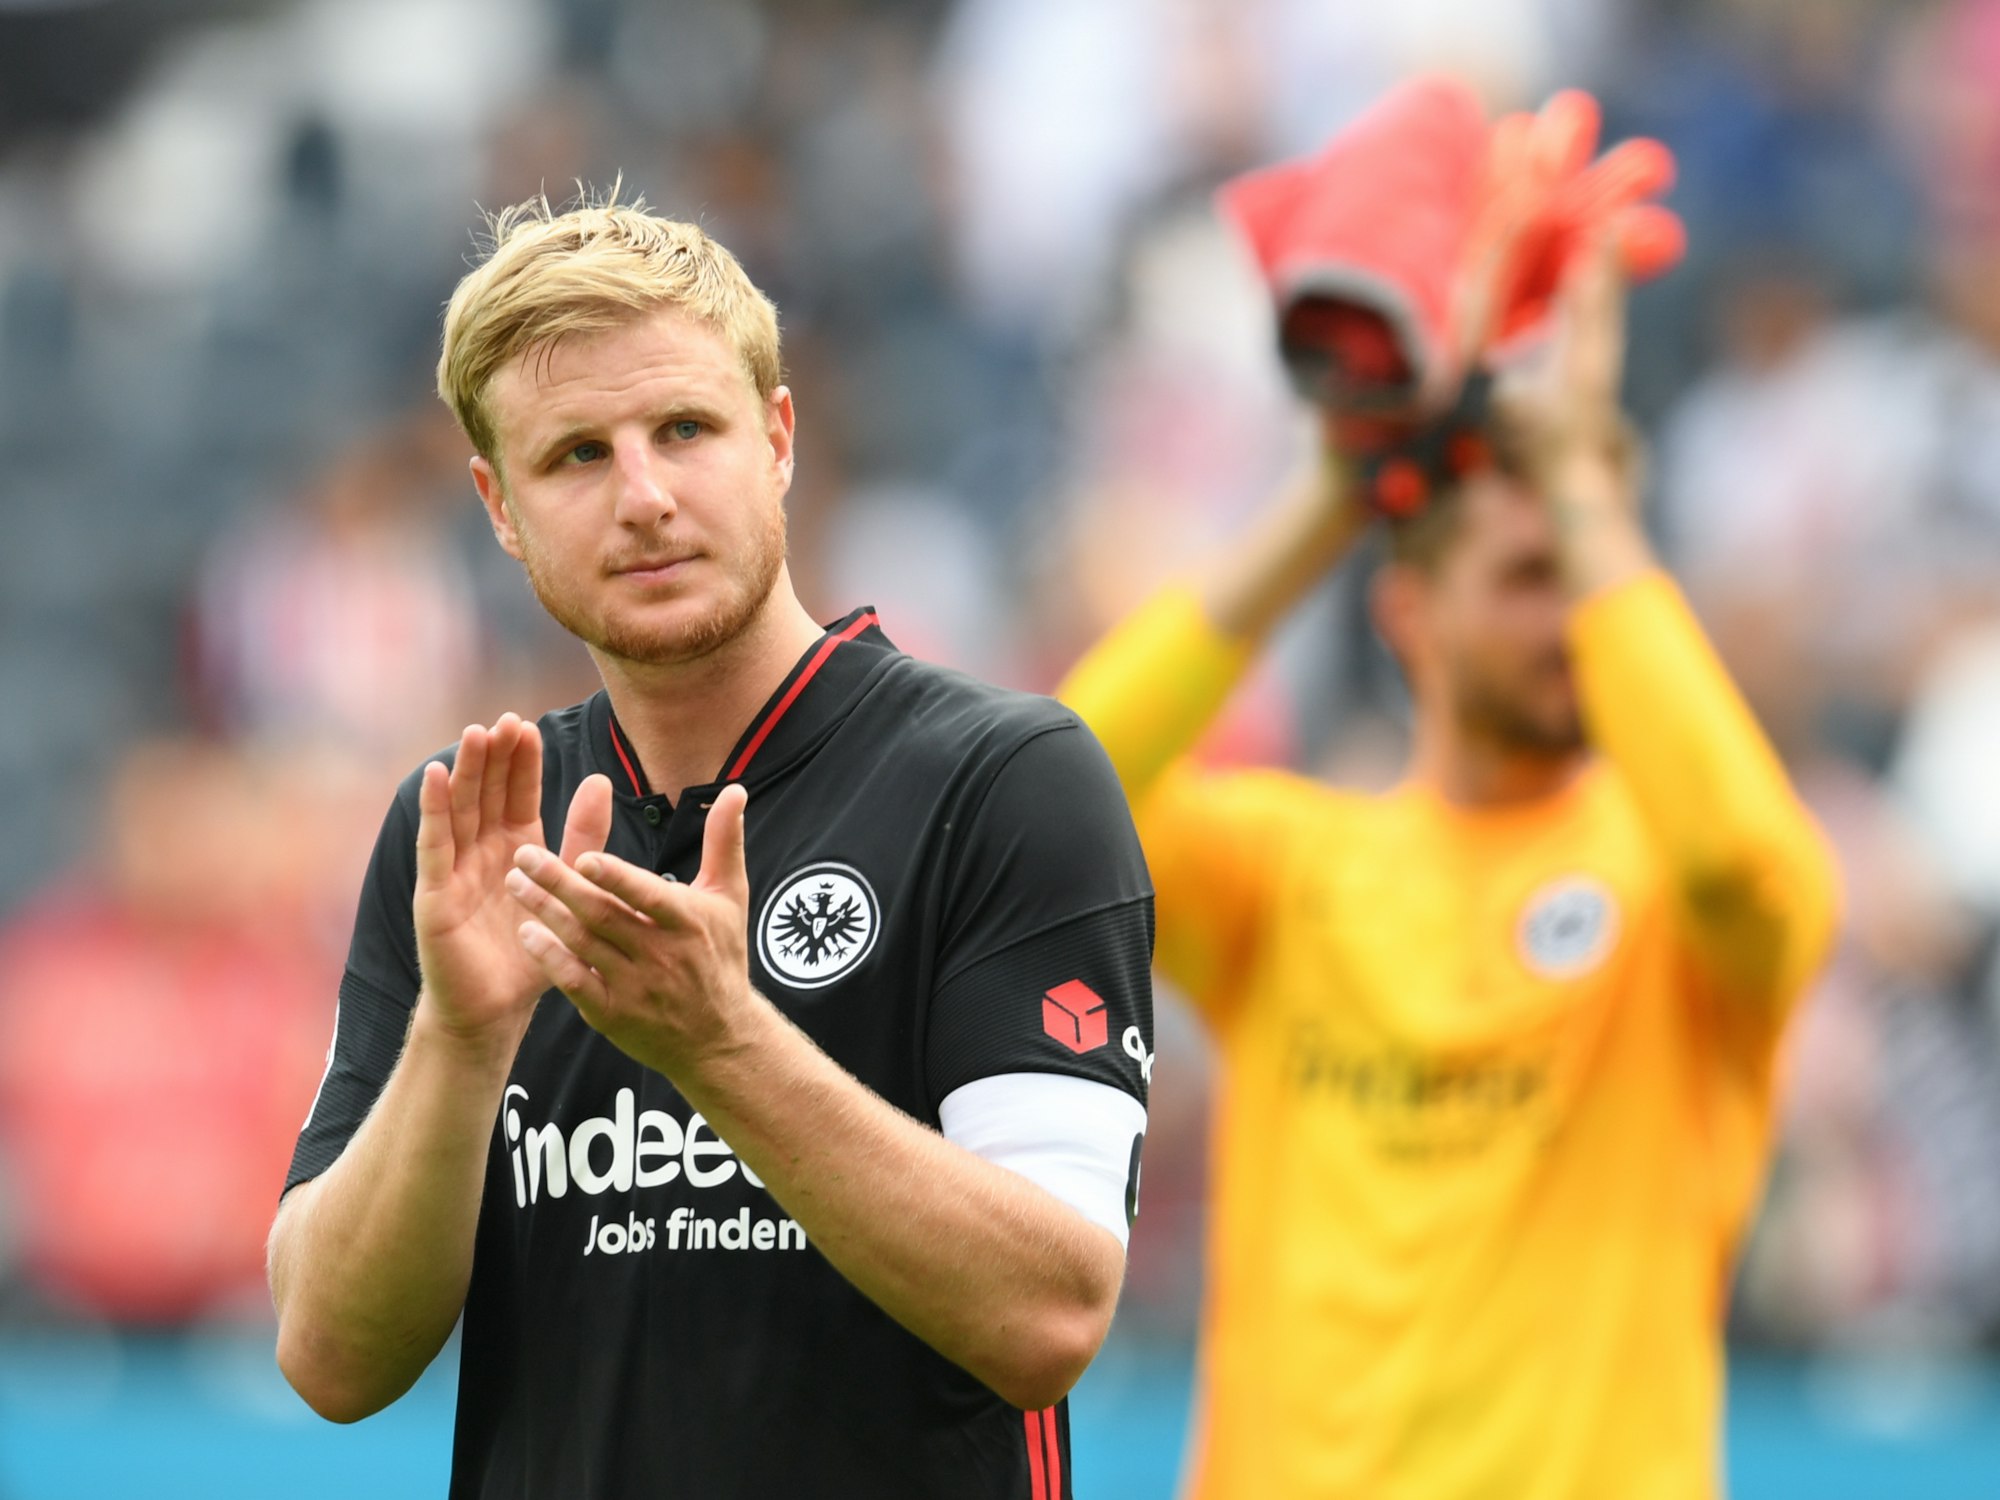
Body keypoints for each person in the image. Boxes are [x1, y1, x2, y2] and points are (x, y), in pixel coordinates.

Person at [267, 195, 1154, 1500]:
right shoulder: (467, 827)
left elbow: (1051, 1315)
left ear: (780, 439)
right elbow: (332, 1358)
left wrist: (719, 1043)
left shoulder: (1002, 780)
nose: (643, 496)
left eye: (685, 429)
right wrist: (458, 1042)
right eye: (574, 454)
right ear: (498, 507)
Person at [1057, 239, 1838, 1498]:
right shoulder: (1293, 871)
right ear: (1405, 614)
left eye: (1588, 576)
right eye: (1531, 578)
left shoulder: (1670, 892)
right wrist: (1326, 497)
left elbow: (1753, 869)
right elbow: (1054, 802)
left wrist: (1580, 484)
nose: (1575, 621)